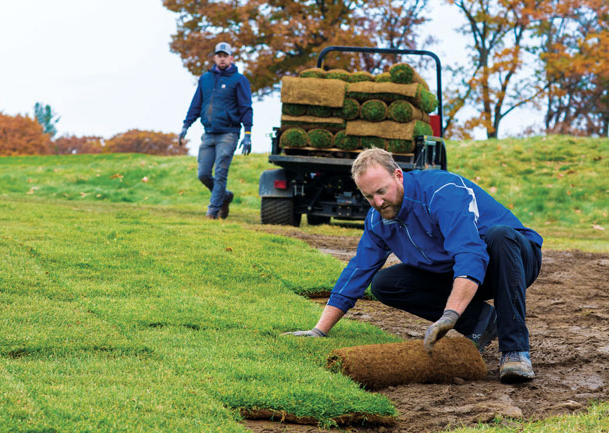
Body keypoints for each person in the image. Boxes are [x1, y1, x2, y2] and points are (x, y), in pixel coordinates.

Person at [285, 148, 543, 384]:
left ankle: (515, 351)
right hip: (455, 271)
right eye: (368, 196)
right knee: (385, 284)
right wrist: (319, 330)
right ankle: (481, 321)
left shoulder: (441, 192)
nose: (377, 202)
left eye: (381, 191)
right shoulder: (377, 219)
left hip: (511, 261)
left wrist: (449, 315)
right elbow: (358, 270)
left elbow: (469, 254)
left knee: (499, 236)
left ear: (398, 175)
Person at [179, 41, 253, 220]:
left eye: (225, 55)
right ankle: (225, 196)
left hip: (228, 134)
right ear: (215, 57)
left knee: (220, 173)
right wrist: (185, 126)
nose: (222, 58)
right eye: (219, 55)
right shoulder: (205, 79)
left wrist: (247, 134)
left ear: (231, 58)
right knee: (203, 174)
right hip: (209, 133)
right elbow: (196, 104)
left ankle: (212, 212)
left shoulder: (239, 80)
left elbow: (246, 107)